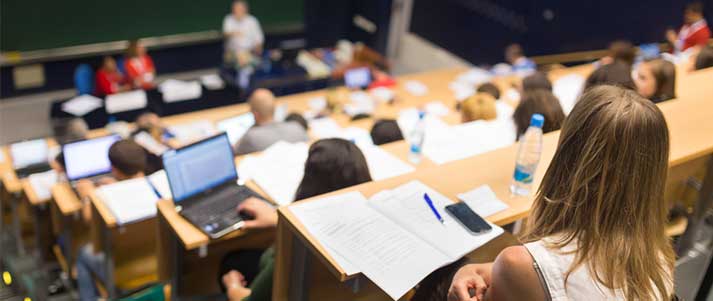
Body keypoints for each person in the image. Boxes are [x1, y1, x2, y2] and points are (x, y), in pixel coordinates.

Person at [448, 85, 674, 301]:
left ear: (568, 156)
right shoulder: (659, 261)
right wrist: (477, 269)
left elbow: (531, 271)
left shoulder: (519, 263)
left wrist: (466, 270)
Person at [221, 139, 373, 301]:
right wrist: (278, 220)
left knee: (230, 264)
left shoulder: (294, 253)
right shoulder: (363, 222)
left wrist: (233, 287)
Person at [75, 139, 149, 301]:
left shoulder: (108, 196)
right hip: (160, 263)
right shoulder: (157, 185)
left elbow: (88, 220)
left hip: (124, 270)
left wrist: (88, 196)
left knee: (83, 252)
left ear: (114, 169)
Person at [234, 89, 309, 155]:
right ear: (275, 109)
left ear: (255, 114)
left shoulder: (251, 137)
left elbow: (233, 152)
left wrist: (253, 127)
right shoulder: (297, 128)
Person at [223, 0, 264, 65]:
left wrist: (257, 50)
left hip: (250, 52)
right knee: (240, 58)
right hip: (233, 53)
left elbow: (259, 40)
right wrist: (232, 33)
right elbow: (225, 34)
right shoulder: (228, 19)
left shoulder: (252, 20)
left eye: (240, 9)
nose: (238, 11)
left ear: (245, 9)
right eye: (235, 9)